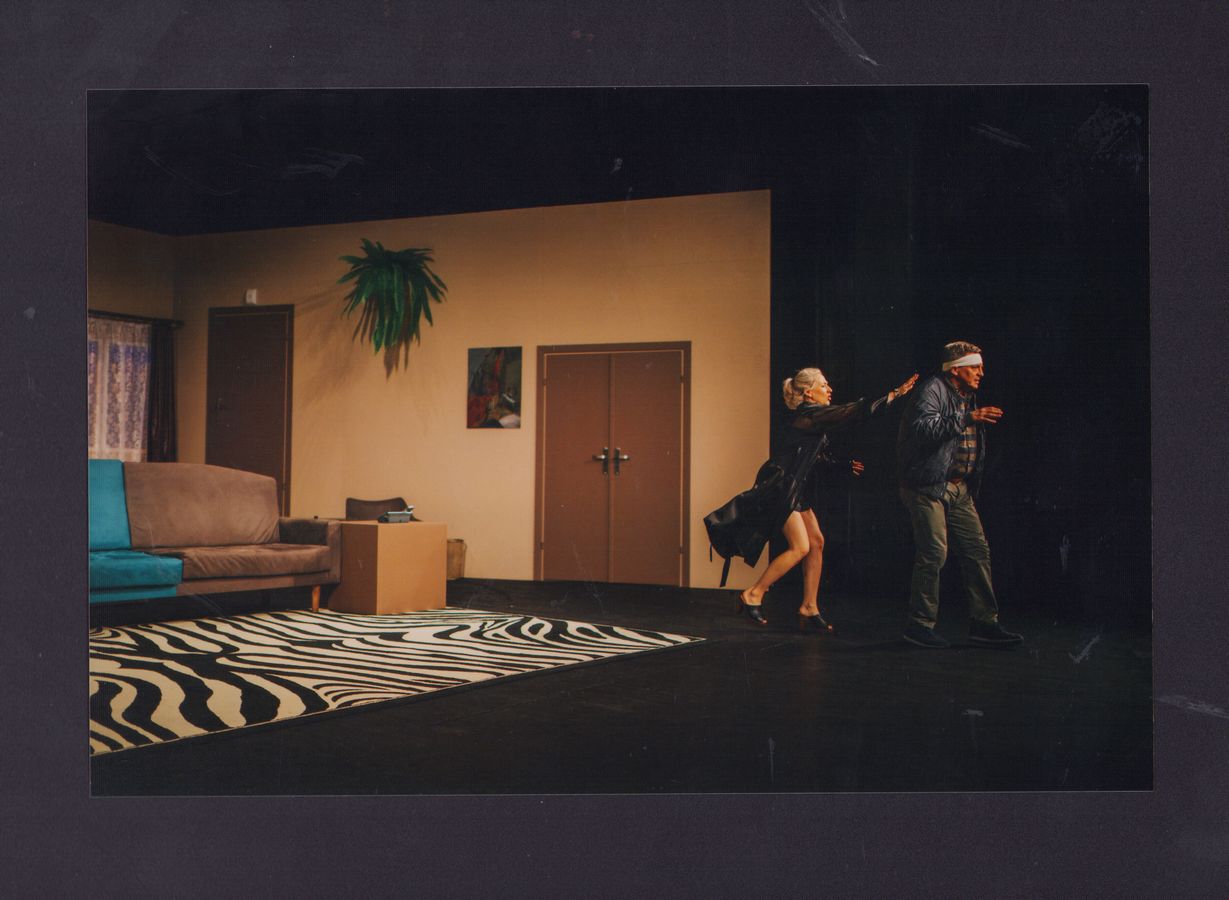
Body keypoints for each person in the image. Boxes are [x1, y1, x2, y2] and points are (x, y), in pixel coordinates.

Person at [708, 366, 918, 631]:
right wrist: (893, 395)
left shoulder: (812, 418)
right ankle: (754, 593)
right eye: (824, 385)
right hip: (782, 486)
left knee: (816, 542)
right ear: (808, 393)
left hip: (795, 487)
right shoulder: (810, 415)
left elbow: (815, 457)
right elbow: (850, 411)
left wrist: (842, 466)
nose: (829, 389)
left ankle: (809, 606)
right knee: (801, 547)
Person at [896, 341, 1023, 648]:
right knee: (934, 553)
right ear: (956, 370)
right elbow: (923, 430)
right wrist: (968, 418)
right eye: (975, 367)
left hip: (959, 488)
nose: (981, 372)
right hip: (928, 486)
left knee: (977, 551)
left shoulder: (967, 395)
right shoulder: (932, 390)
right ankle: (919, 625)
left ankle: (984, 622)